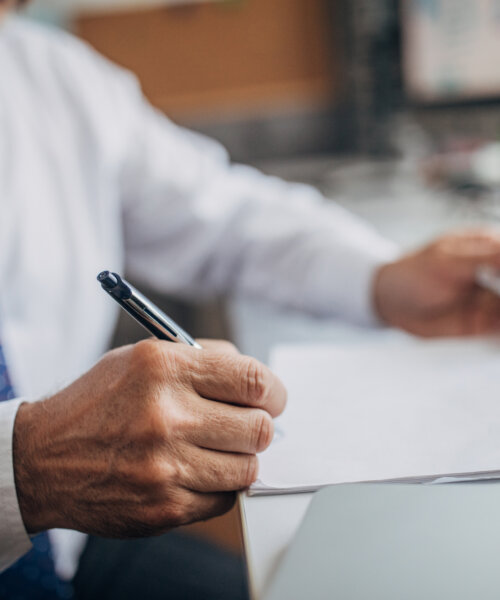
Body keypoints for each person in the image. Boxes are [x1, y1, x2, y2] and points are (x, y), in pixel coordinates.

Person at [2, 1, 500, 598]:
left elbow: (223, 214)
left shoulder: (46, 74)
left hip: (67, 544)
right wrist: (24, 469)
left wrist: (381, 280)